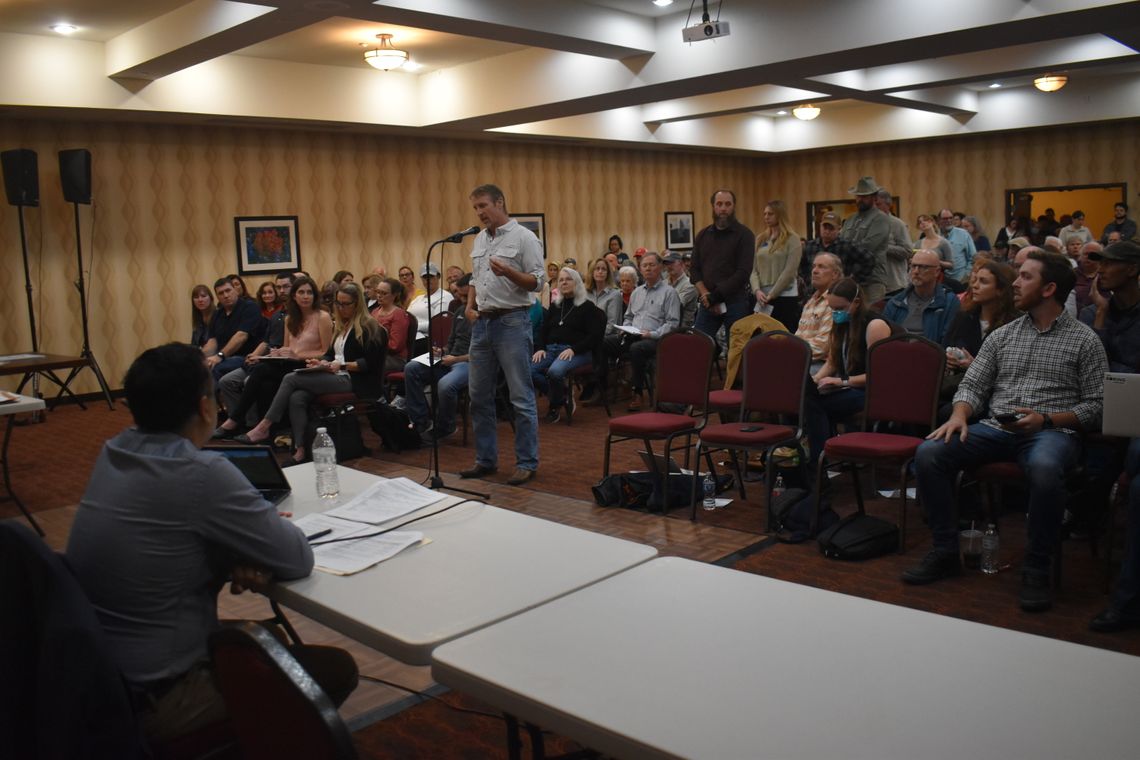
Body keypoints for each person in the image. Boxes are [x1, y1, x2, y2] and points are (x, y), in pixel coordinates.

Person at [65, 343, 356, 744]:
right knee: (335, 669)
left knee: (271, 641)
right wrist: (247, 542)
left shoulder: (114, 452)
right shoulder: (201, 473)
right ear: (206, 407)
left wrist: (226, 549)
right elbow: (296, 557)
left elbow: (166, 538)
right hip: (159, 696)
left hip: (99, 676)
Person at [902, 251, 1108, 613]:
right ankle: (946, 551)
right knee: (930, 452)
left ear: (1049, 289)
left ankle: (1037, 568)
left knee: (1045, 469)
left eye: (1025, 277)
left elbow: (1096, 407)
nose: (1015, 282)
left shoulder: (1084, 340)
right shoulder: (1003, 335)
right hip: (998, 427)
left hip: (1051, 433)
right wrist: (960, 415)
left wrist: (1046, 420)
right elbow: (973, 385)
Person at [236, 283, 385, 463]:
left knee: (291, 378)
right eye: (338, 303)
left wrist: (341, 365)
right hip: (335, 374)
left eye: (346, 304)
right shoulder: (341, 326)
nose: (341, 308)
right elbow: (330, 353)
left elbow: (369, 364)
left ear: (357, 304)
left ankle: (265, 425)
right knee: (297, 397)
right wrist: (321, 361)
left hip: (355, 379)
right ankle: (301, 449)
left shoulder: (370, 327)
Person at [461, 183, 546, 486]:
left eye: (483, 205)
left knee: (520, 397)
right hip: (482, 324)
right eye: (476, 208)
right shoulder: (480, 240)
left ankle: (526, 461)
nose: (480, 213)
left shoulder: (525, 238)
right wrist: (469, 308)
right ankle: (486, 460)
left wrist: (509, 272)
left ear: (500, 202)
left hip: (512, 322)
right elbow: (474, 278)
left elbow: (538, 283)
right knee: (478, 397)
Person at [212, 275, 333, 438]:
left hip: (310, 365)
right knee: (266, 383)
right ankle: (267, 432)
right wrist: (277, 353)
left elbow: (327, 352)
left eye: (309, 292)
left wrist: (296, 355)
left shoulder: (322, 317)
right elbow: (286, 348)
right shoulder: (290, 318)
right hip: (289, 364)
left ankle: (235, 419)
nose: (305, 296)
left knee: (261, 371)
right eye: (301, 292)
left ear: (315, 295)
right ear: (294, 296)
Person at [803, 277, 896, 468]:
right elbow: (832, 362)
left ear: (856, 302)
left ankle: (818, 461)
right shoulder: (841, 323)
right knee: (805, 397)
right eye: (832, 309)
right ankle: (816, 457)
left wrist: (842, 382)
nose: (836, 313)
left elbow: (878, 377)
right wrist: (815, 379)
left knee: (815, 405)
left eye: (840, 308)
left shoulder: (874, 325)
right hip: (850, 387)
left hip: (874, 392)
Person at [941, 260, 1019, 412]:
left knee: (945, 412)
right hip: (953, 385)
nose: (974, 286)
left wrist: (975, 366)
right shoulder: (964, 316)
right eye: (975, 280)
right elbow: (944, 346)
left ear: (1001, 289)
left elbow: (1012, 373)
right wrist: (948, 359)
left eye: (983, 282)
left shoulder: (1015, 324)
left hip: (990, 395)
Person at [608, 252, 681, 412]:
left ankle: (637, 392)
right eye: (644, 265)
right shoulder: (637, 292)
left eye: (652, 265)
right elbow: (629, 316)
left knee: (637, 349)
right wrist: (625, 328)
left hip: (656, 340)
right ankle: (603, 387)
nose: (648, 268)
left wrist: (651, 334)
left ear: (660, 267)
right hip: (633, 335)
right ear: (640, 269)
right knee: (605, 343)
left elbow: (673, 324)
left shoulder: (669, 293)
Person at [405, 274, 474, 442]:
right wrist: (441, 351)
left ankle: (446, 427)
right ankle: (422, 422)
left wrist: (455, 359)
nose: (463, 300)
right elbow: (451, 342)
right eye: (460, 295)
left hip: (468, 363)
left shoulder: (483, 315)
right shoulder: (458, 311)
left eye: (467, 296)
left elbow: (484, 354)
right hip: (450, 358)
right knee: (411, 368)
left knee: (445, 385)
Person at [531, 268, 603, 423]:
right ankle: (562, 395)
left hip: (577, 351)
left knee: (555, 372)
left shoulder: (587, 307)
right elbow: (543, 330)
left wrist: (574, 349)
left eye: (568, 279)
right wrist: (541, 348)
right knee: (529, 371)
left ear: (576, 282)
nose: (564, 282)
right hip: (551, 349)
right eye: (561, 280)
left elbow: (594, 337)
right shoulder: (556, 305)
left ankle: (555, 405)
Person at [690, 189, 755, 346]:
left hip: (736, 302)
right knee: (698, 346)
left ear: (734, 206)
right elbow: (694, 270)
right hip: (708, 302)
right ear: (713, 207)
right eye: (719, 204)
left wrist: (716, 296)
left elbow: (743, 273)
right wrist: (706, 295)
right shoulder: (702, 235)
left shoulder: (745, 235)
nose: (723, 208)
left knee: (737, 350)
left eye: (728, 204)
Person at [881, 248, 960, 345]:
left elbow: (948, 342)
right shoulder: (896, 301)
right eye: (913, 266)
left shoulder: (949, 302)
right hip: (897, 353)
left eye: (923, 267)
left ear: (937, 271)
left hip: (931, 356)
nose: (916, 271)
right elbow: (884, 340)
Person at [750, 199, 803, 331]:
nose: (766, 217)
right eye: (765, 214)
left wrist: (772, 294)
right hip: (761, 296)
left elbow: (789, 271)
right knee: (760, 334)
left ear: (780, 215)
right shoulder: (761, 239)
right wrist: (756, 290)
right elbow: (753, 269)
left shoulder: (793, 239)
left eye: (770, 214)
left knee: (783, 335)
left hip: (784, 296)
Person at [839, 177, 893, 303]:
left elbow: (868, 247)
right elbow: (840, 244)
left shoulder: (881, 219)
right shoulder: (850, 219)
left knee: (872, 317)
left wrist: (845, 248)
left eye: (864, 196)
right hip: (850, 279)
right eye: (858, 196)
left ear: (874, 197)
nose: (860, 200)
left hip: (873, 279)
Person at [201, 276, 264, 382]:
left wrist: (219, 356)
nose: (226, 295)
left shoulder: (250, 307)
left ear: (235, 290)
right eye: (221, 293)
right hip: (224, 358)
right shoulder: (217, 314)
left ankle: (213, 399)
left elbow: (241, 337)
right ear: (217, 297)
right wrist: (199, 357)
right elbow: (213, 342)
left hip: (245, 358)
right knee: (196, 368)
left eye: (228, 290)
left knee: (214, 369)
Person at [406, 264, 454, 355]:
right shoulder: (418, 298)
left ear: (438, 277)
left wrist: (414, 327)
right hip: (413, 335)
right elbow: (407, 316)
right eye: (424, 277)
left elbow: (438, 324)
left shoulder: (445, 296)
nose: (427, 280)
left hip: (429, 339)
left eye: (431, 277)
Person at [875, 188, 914, 297]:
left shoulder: (897, 224)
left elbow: (908, 251)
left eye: (878, 204)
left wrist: (884, 247)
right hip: (872, 286)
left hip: (894, 286)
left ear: (888, 205)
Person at [370, 276, 411, 373]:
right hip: (377, 354)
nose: (379, 296)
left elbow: (395, 346)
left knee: (366, 365)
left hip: (395, 359)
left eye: (384, 293)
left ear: (395, 295)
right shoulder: (375, 311)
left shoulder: (399, 314)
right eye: (378, 292)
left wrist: (372, 345)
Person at [937, 208, 977, 282]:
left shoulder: (963, 234)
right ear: (939, 220)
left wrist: (967, 275)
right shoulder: (935, 236)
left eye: (950, 218)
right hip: (940, 279)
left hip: (960, 278)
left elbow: (973, 257)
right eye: (945, 219)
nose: (948, 221)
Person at [663, 251, 697, 329]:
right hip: (663, 326)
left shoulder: (690, 284)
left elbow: (675, 306)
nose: (668, 266)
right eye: (666, 264)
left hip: (681, 329)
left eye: (671, 263)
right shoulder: (663, 283)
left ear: (681, 264)